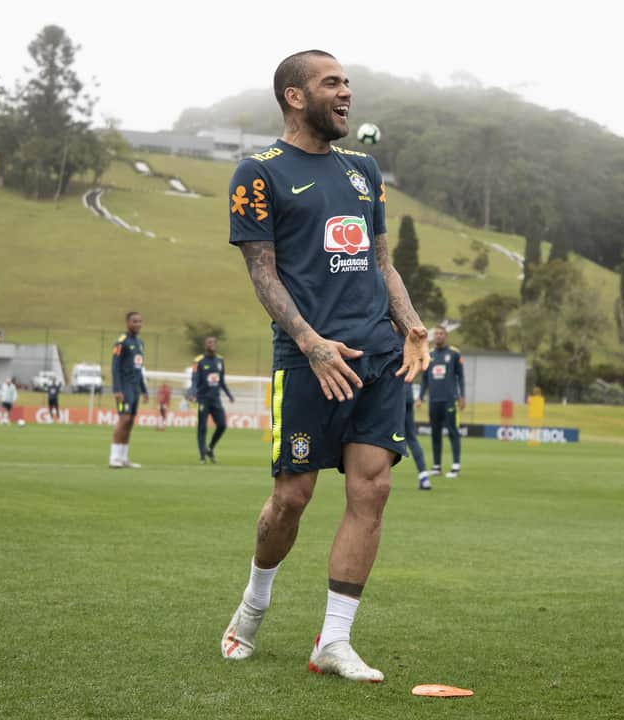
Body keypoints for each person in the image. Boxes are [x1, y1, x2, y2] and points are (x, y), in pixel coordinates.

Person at [220, 50, 429, 682]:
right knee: (293, 497)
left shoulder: (365, 169)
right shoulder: (257, 172)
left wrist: (411, 325)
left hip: (379, 355)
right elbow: (263, 272)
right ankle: (254, 604)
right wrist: (311, 343)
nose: (346, 93)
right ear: (293, 96)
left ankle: (333, 641)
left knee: (374, 487)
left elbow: (382, 262)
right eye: (331, 83)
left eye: (347, 84)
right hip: (309, 359)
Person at [418, 325, 465, 478]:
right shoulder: (429, 354)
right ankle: (437, 466)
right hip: (434, 401)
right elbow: (424, 379)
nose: (438, 336)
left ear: (445, 336)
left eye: (441, 333)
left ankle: (455, 466)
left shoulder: (453, 354)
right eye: (436, 333)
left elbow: (461, 377)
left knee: (453, 432)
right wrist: (420, 397)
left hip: (450, 400)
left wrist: (462, 396)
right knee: (435, 433)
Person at [108, 311, 148, 468]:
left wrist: (144, 390)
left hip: (134, 389)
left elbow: (139, 369)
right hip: (123, 388)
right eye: (134, 321)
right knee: (123, 419)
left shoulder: (140, 343)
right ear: (127, 323)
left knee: (130, 421)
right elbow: (115, 366)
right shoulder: (121, 342)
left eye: (139, 321)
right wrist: (117, 389)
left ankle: (123, 458)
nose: (137, 324)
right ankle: (114, 457)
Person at [187, 336, 235, 462]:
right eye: (209, 342)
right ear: (205, 345)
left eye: (214, 342)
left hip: (216, 399)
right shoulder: (198, 361)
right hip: (202, 399)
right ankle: (202, 455)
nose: (212, 344)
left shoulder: (220, 360)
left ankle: (210, 447)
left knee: (222, 425)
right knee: (202, 427)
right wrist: (192, 393)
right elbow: (194, 379)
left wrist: (229, 395)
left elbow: (222, 381)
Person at [403, 382, 431, 490]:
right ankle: (424, 478)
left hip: (394, 396)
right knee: (412, 439)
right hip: (407, 395)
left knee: (383, 439)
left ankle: (377, 477)